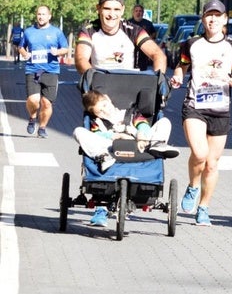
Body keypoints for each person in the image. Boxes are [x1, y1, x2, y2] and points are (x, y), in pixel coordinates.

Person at [170, 0, 232, 226]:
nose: (213, 19)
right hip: (195, 106)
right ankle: (194, 186)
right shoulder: (192, 44)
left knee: (212, 163)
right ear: (203, 19)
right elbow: (181, 67)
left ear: (225, 19)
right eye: (208, 15)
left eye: (217, 15)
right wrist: (177, 76)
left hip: (221, 109)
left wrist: (229, 79)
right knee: (200, 153)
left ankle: (203, 208)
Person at [74, 89, 179, 226]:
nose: (105, 111)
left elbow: (143, 124)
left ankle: (158, 145)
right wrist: (116, 136)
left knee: (164, 122)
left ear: (108, 99)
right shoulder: (98, 122)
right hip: (111, 149)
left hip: (141, 146)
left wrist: (139, 135)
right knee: (79, 132)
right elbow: (98, 135)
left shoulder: (130, 114)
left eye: (105, 106)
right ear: (94, 113)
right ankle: (102, 156)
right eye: (100, 111)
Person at [74, 0, 166, 75]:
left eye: (116, 9)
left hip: (128, 85)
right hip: (98, 85)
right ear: (98, 8)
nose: (112, 14)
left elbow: (158, 55)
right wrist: (94, 78)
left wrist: (159, 80)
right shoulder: (88, 30)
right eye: (107, 9)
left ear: (122, 10)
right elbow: (81, 59)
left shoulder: (134, 30)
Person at [18, 5, 69, 138]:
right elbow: (20, 47)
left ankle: (42, 127)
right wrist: (24, 53)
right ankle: (32, 117)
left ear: (49, 16)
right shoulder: (29, 31)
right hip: (32, 69)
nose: (41, 17)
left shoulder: (56, 32)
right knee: (33, 99)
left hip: (51, 71)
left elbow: (65, 48)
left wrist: (57, 52)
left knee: (46, 103)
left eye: (43, 14)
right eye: (39, 14)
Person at [129, 4, 157, 71]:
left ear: (143, 12)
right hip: (131, 49)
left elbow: (154, 33)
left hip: (143, 49)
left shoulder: (148, 23)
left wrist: (148, 39)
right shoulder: (129, 23)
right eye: (136, 11)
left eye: (140, 11)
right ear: (133, 12)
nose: (138, 13)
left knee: (143, 67)